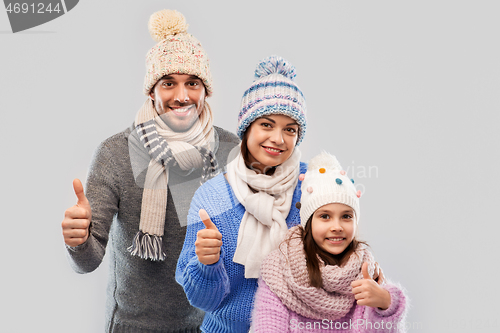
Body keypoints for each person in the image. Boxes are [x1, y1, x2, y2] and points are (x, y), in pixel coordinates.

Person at [61, 9, 240, 333]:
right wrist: (78, 239)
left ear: (205, 90)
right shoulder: (115, 153)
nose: (182, 95)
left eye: (193, 83)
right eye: (168, 82)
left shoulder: (230, 151)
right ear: (151, 91)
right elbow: (87, 261)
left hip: (213, 323)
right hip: (135, 325)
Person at [175, 55, 309, 332]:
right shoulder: (212, 198)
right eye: (267, 124)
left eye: (290, 129)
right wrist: (206, 264)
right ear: (247, 129)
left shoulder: (312, 186)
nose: (278, 139)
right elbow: (202, 301)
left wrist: (341, 212)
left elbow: (336, 272)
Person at [252, 152, 408, 332]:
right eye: (325, 216)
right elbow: (268, 326)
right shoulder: (280, 269)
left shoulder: (365, 270)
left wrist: (385, 303)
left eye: (346, 216)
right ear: (308, 223)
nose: (337, 226)